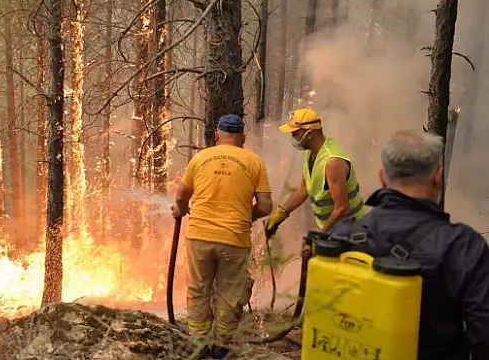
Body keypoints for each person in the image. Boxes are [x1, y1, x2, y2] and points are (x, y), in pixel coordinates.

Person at [329, 130, 489, 360]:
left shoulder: (342, 234)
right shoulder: (462, 246)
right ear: (438, 176)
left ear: (382, 178)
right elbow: (484, 337)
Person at [172, 114, 273, 359]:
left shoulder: (200, 158)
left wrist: (182, 209)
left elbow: (181, 196)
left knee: (198, 290)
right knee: (230, 293)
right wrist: (245, 216)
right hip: (234, 239)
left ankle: (198, 341)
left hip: (199, 236)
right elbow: (266, 206)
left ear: (217, 135)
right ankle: (221, 344)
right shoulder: (254, 162)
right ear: (243, 138)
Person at [264, 108, 366, 238]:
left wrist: (320, 236)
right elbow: (303, 190)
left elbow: (342, 208)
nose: (292, 137)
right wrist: (281, 213)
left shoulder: (332, 162)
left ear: (310, 133)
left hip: (351, 230)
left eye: (295, 133)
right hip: (334, 228)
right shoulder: (311, 153)